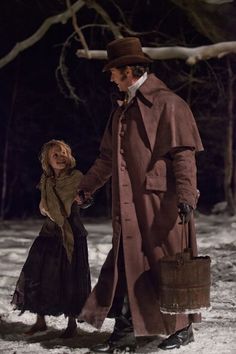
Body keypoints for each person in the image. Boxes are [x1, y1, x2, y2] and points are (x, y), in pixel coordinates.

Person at [75, 37, 204, 352]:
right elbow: (107, 158)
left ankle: (182, 326)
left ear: (128, 71)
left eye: (113, 72)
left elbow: (184, 154)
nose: (109, 77)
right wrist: (86, 187)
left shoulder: (168, 103)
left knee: (166, 263)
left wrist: (187, 196)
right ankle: (127, 325)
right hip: (129, 204)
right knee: (127, 261)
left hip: (162, 204)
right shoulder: (121, 111)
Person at [11, 139, 91, 338]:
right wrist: (43, 207)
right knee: (37, 273)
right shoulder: (46, 180)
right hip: (48, 232)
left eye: (64, 152)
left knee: (70, 278)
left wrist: (83, 200)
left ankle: (72, 323)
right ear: (47, 159)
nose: (61, 157)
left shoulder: (77, 177)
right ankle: (40, 321)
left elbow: (85, 199)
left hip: (72, 233)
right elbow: (43, 205)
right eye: (55, 154)